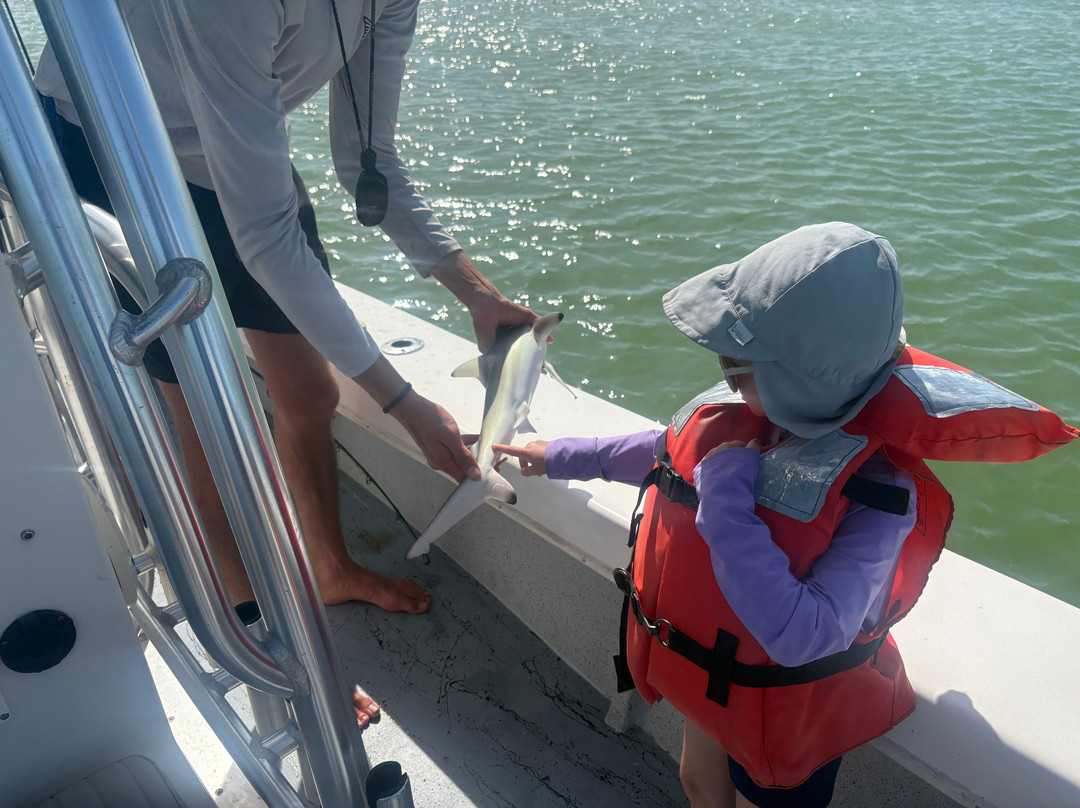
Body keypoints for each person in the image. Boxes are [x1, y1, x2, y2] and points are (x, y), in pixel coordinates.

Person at [496, 222, 1076, 807]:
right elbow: (665, 449)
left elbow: (807, 634)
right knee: (697, 781)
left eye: (737, 368)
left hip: (783, 707)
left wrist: (724, 500)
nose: (723, 377)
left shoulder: (879, 494)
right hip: (715, 671)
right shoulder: (749, 416)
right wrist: (559, 456)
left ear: (804, 385)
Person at [33, 0, 537, 617]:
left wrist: (478, 296)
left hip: (240, 163)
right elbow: (267, 239)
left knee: (310, 395)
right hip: (114, 153)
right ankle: (258, 632)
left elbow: (365, 162)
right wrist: (404, 404)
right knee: (201, 410)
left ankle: (329, 569)